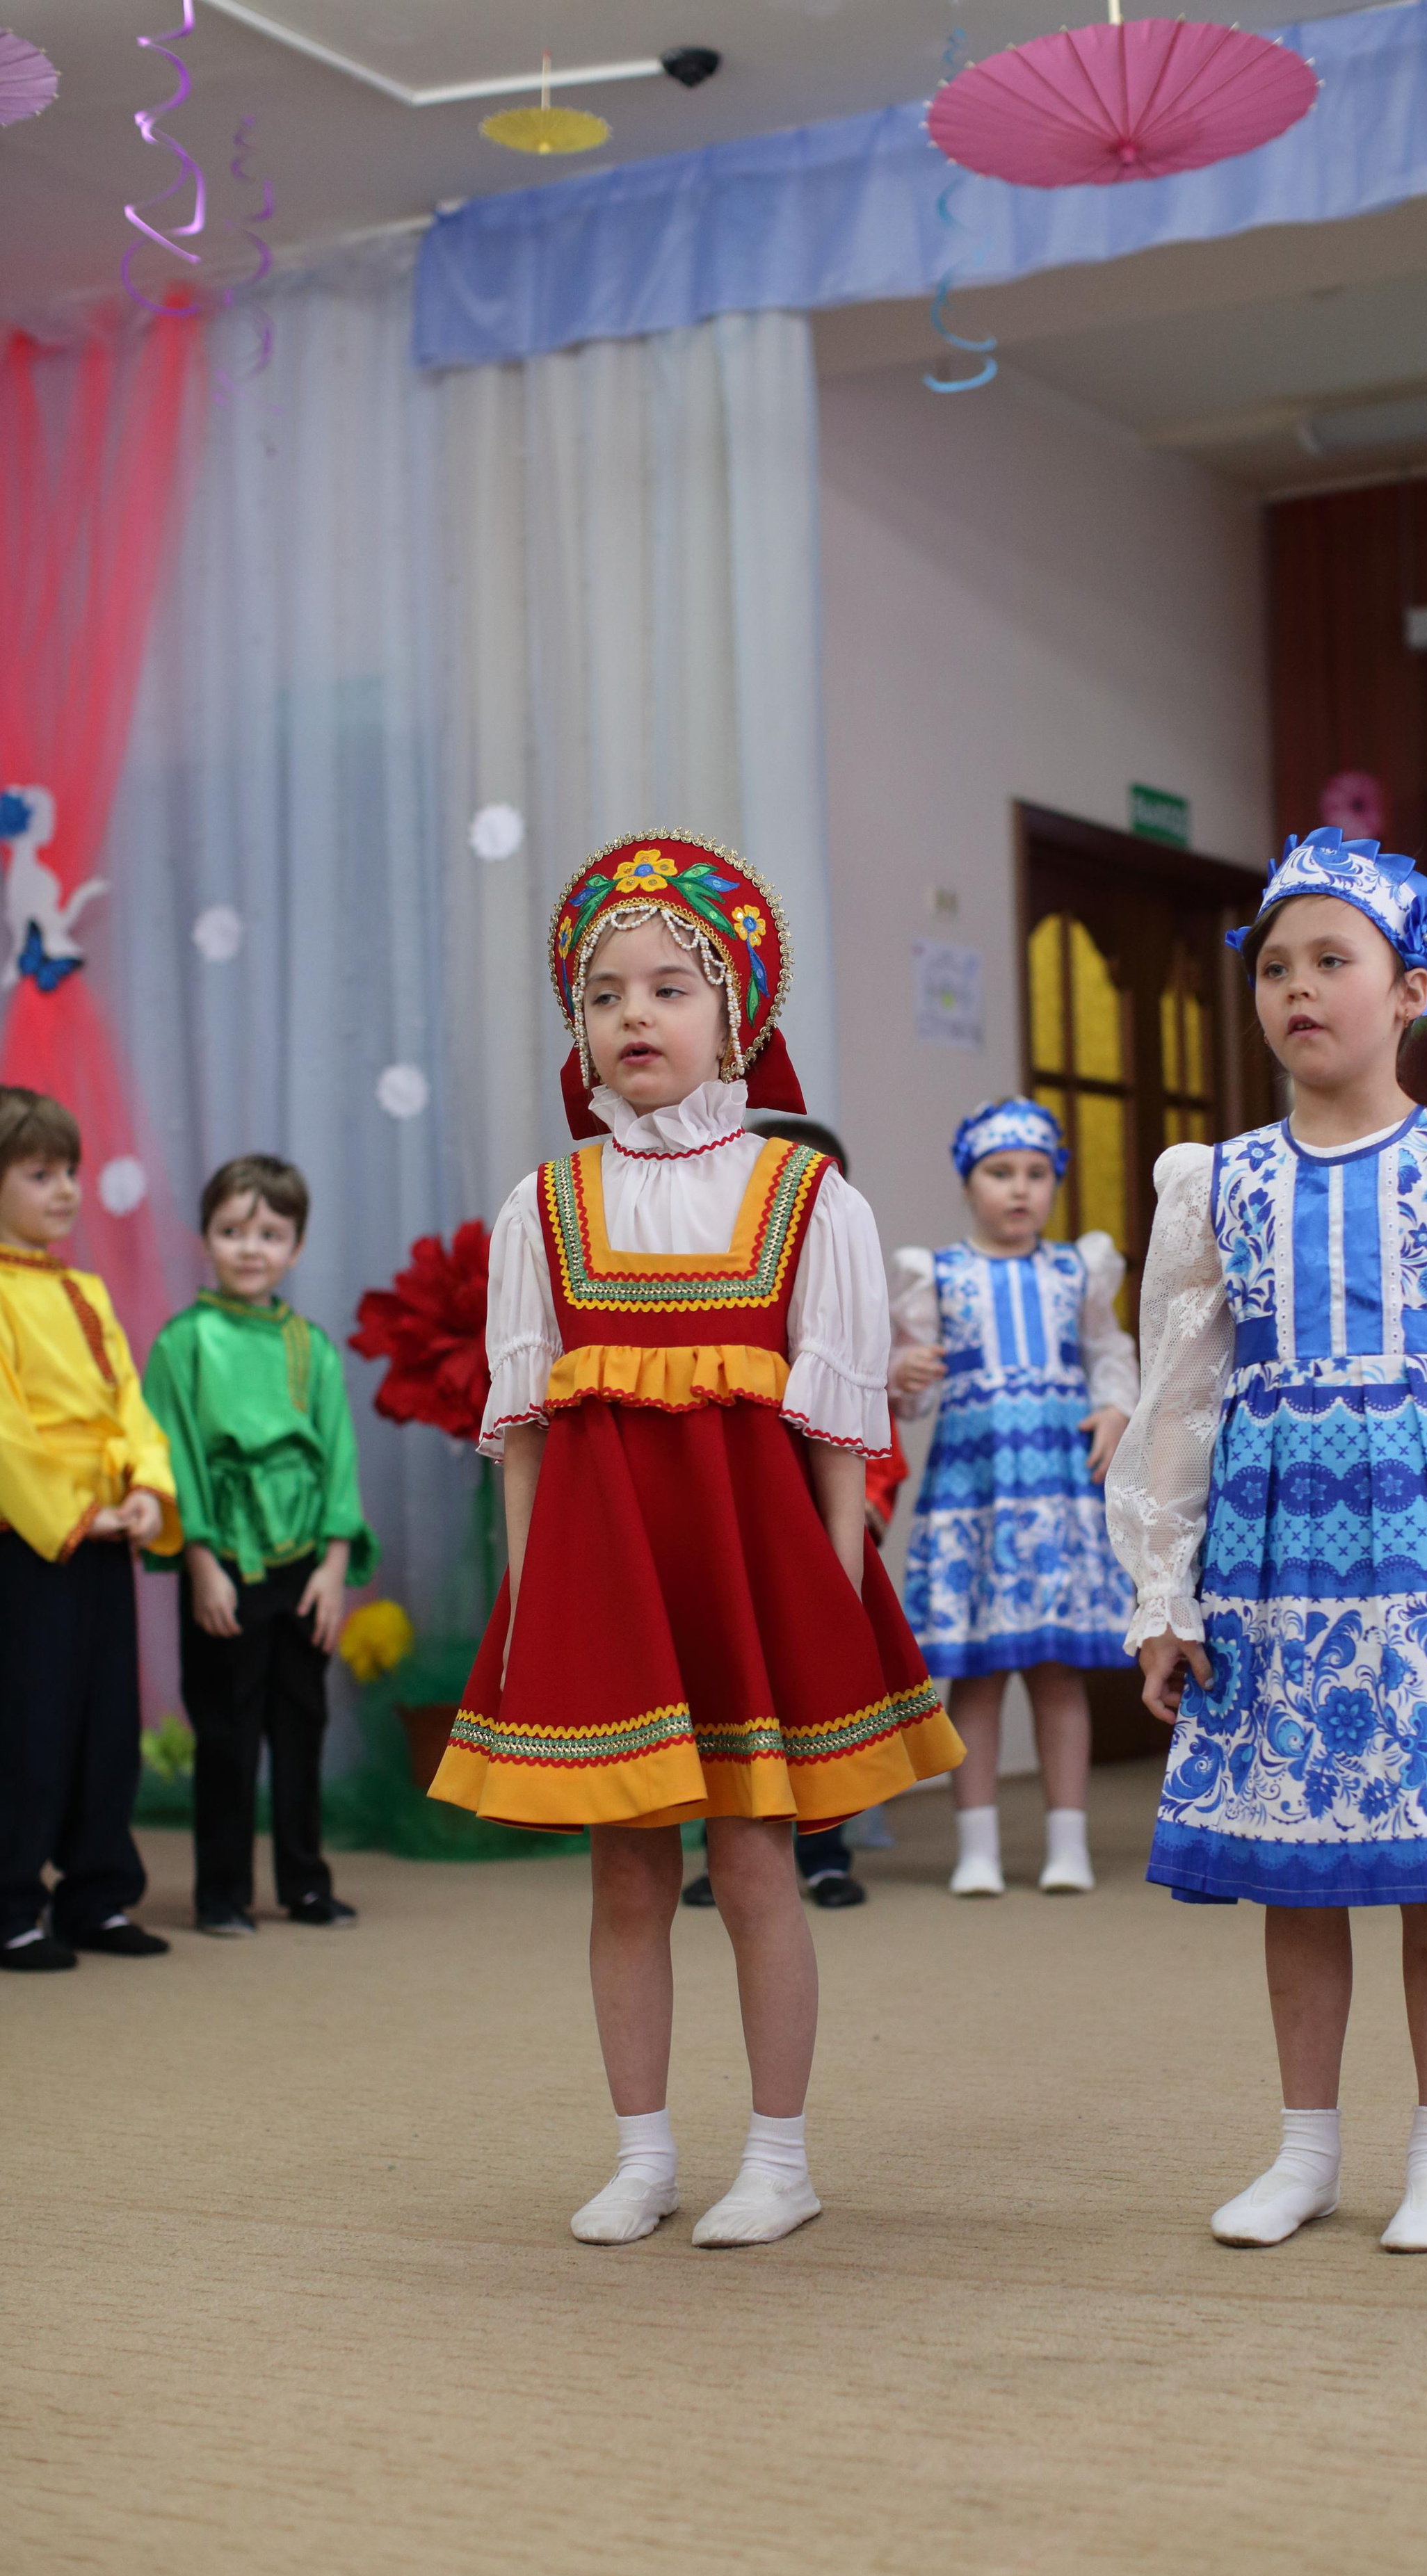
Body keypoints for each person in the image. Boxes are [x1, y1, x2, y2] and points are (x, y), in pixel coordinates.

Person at [430, 834, 962, 2249]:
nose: (633, 1018)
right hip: (606, 1586)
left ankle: (776, 2157)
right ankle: (642, 2148)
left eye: (669, 988)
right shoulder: (542, 1210)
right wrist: (533, 1596)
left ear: (738, 1016)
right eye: (603, 996)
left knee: (750, 1861)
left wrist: (840, 1593)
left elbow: (843, 1427)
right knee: (620, 1868)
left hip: (751, 1582)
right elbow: (523, 1432)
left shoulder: (806, 1202)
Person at [1106, 829, 1427, 2253]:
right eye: (1272, 966)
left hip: (1420, 1554)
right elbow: (1179, 1391)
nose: (1295, 987)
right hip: (1269, 1561)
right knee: (1290, 1864)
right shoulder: (1216, 1182)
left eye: (1330, 960)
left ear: (1410, 986)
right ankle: (1304, 2144)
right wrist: (1159, 1591)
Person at [889, 1099, 1138, 1897]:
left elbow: (1109, 1351)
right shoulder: (939, 1274)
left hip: (1056, 1495)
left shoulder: (1077, 1270)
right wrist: (905, 1379)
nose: (1020, 1190)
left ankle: (1068, 1841)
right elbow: (910, 1390)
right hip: (976, 1491)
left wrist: (1115, 1406)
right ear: (970, 1184)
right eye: (1001, 1174)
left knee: (1060, 1672)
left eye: (1035, 1174)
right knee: (980, 1676)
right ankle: (978, 1847)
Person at [143, 1155, 379, 1936]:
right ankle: (221, 1894)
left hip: (303, 1565)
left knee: (300, 1724)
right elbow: (172, 1452)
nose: (251, 1248)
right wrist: (199, 1560)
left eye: (270, 1234)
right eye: (233, 1231)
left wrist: (335, 1565)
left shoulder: (311, 1346)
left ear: (297, 1247)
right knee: (226, 1731)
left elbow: (338, 1456)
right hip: (225, 1561)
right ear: (205, 1238)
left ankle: (306, 1883)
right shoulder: (184, 1344)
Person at [679, 1110, 901, 1913]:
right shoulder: (735, 1302)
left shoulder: (846, 1313)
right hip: (742, 1533)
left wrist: (865, 1516)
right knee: (732, 1695)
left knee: (809, 1698)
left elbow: (874, 1442)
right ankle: (722, 1843)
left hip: (812, 1536)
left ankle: (827, 1849)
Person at [0, 1085, 181, 1972]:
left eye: (69, 1170)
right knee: (28, 1722)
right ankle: (8, 1903)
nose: (66, 1189)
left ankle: (97, 1893)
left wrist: (146, 1485)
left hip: (105, 1531)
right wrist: (74, 1512)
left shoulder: (81, 1289)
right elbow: (3, 1429)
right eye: (40, 1174)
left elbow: (128, 1404)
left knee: (106, 1720)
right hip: (32, 1538)